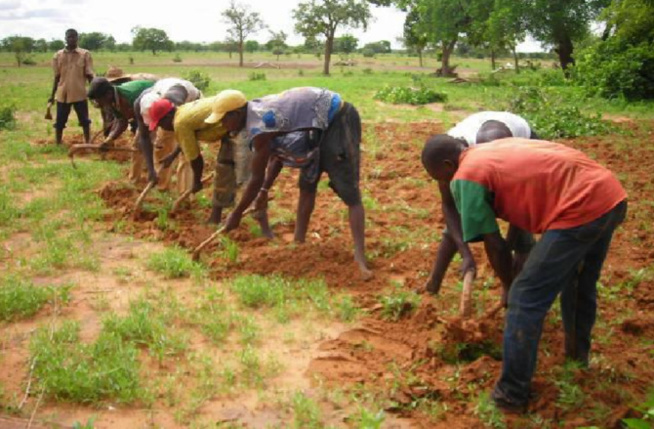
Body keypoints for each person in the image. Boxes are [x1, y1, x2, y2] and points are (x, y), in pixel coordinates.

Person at [421, 136, 627, 413]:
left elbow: (494, 244)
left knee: (526, 296)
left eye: (440, 178)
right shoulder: (490, 152)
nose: (444, 185)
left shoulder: (467, 175)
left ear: (448, 165)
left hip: (580, 208)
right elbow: (518, 214)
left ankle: (511, 394)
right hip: (609, 196)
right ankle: (577, 360)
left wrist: (509, 286)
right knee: (578, 282)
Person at [205, 87, 371, 279]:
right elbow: (277, 157)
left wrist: (236, 214)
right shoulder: (256, 118)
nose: (224, 125)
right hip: (314, 125)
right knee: (307, 183)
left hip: (337, 118)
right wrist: (264, 191)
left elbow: (256, 178)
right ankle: (298, 244)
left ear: (237, 113)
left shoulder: (260, 126)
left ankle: (360, 256)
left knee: (349, 191)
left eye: (225, 119)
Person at [423, 111, 538, 295]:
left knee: (521, 233)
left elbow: (520, 200)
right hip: (488, 158)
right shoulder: (444, 153)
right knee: (462, 217)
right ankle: (433, 283)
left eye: (445, 179)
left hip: (522, 157)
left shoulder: (493, 145)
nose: (446, 183)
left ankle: (514, 292)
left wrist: (507, 247)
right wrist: (466, 254)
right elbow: (449, 206)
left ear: (449, 166)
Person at [147, 95, 252, 224]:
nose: (161, 128)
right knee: (224, 168)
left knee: (237, 172)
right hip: (231, 127)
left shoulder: (179, 123)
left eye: (160, 124)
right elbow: (187, 139)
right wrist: (173, 155)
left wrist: (196, 181)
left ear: (168, 117)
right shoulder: (182, 112)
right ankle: (217, 216)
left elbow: (196, 159)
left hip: (240, 125)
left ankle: (249, 213)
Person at [134, 78, 202, 191]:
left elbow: (188, 138)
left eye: (159, 123)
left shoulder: (180, 106)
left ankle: (186, 192)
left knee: (188, 154)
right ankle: (162, 186)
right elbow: (145, 137)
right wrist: (151, 170)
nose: (157, 127)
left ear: (168, 115)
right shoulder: (140, 105)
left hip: (192, 106)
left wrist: (173, 155)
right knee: (161, 148)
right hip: (168, 109)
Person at [87, 77, 156, 183]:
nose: (97, 102)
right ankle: (136, 179)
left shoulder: (130, 96)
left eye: (98, 99)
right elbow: (122, 121)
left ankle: (158, 179)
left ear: (108, 94)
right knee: (140, 145)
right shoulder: (113, 100)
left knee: (154, 144)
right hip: (142, 113)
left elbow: (144, 121)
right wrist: (109, 140)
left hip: (154, 107)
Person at [49, 28, 94, 145]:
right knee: (60, 121)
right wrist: (52, 95)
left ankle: (87, 142)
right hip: (62, 94)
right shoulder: (58, 55)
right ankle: (58, 143)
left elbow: (89, 75)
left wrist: (94, 93)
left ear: (77, 38)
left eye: (74, 37)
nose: (71, 39)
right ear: (65, 38)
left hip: (79, 93)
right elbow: (56, 77)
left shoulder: (85, 54)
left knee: (85, 121)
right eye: (69, 37)